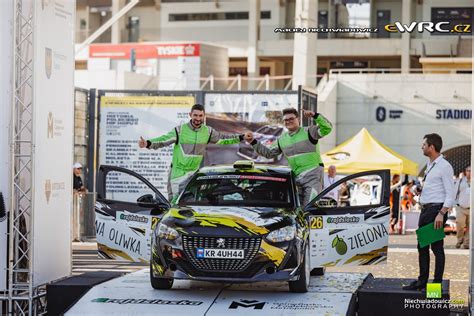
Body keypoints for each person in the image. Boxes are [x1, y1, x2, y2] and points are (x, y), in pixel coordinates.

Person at [139, 103, 247, 202]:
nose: (198, 119)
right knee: (175, 203)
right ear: (190, 115)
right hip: (178, 174)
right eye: (195, 115)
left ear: (204, 116)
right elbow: (163, 140)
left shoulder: (208, 131)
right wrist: (148, 143)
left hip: (194, 175)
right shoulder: (180, 130)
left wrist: (241, 137)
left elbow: (224, 139)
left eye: (200, 116)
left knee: (193, 203)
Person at [245, 108, 332, 206]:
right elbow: (268, 153)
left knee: (310, 208)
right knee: (297, 211)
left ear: (298, 119)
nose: (288, 121)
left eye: (291, 118)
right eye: (286, 120)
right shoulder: (282, 139)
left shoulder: (309, 131)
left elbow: (327, 128)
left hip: (313, 176)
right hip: (296, 180)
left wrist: (315, 115)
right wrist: (253, 142)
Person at [403, 133, 454, 291]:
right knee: (422, 246)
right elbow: (433, 188)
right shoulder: (431, 165)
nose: (422, 147)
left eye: (424, 145)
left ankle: (435, 286)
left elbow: (450, 194)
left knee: (436, 248)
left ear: (432, 147)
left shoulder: (444, 166)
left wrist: (441, 213)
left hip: (436, 210)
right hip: (426, 209)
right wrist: (420, 190)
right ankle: (422, 282)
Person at [454, 165, 470, 249]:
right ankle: (460, 239)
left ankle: (466, 243)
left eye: (471, 171)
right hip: (461, 207)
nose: (469, 172)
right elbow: (454, 193)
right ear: (465, 172)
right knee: (459, 224)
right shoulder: (460, 181)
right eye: (468, 170)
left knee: (470, 227)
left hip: (472, 209)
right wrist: (451, 205)